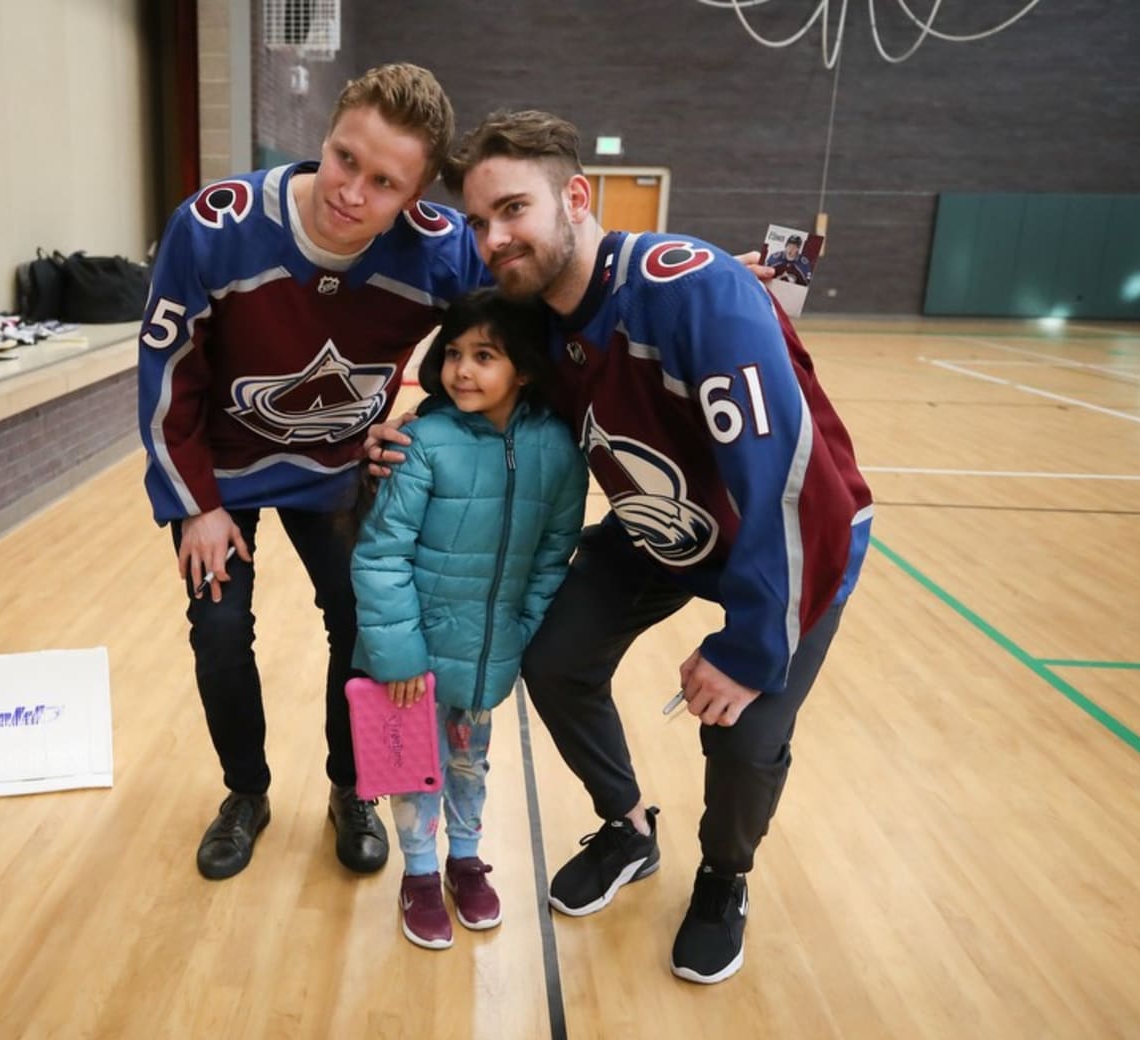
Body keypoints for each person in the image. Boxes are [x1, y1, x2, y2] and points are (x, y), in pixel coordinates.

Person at [368, 110, 874, 983]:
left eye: (513, 210)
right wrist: (405, 430)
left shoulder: (694, 294)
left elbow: (793, 493)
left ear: (576, 196)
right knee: (557, 659)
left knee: (743, 727)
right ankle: (628, 826)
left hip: (793, 541)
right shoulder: (537, 316)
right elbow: (482, 379)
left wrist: (748, 650)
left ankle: (723, 878)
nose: (494, 238)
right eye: (480, 222)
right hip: (660, 529)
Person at [136, 64, 491, 881]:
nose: (352, 192)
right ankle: (246, 793)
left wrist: (424, 426)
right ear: (325, 138)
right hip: (219, 473)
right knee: (219, 630)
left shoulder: (442, 253)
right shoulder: (214, 227)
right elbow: (166, 376)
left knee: (365, 625)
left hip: (339, 466)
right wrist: (195, 507)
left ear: (415, 197)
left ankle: (352, 787)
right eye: (344, 159)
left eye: (384, 183)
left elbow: (520, 330)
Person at [349, 288, 587, 949]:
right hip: (411, 656)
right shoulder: (423, 441)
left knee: (468, 764)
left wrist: (520, 630)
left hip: (487, 652)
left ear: (525, 368)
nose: (461, 370)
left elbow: (553, 555)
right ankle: (420, 873)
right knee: (411, 765)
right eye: (454, 353)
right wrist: (399, 657)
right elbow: (380, 555)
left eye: (485, 356)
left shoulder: (558, 450)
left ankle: (464, 858)